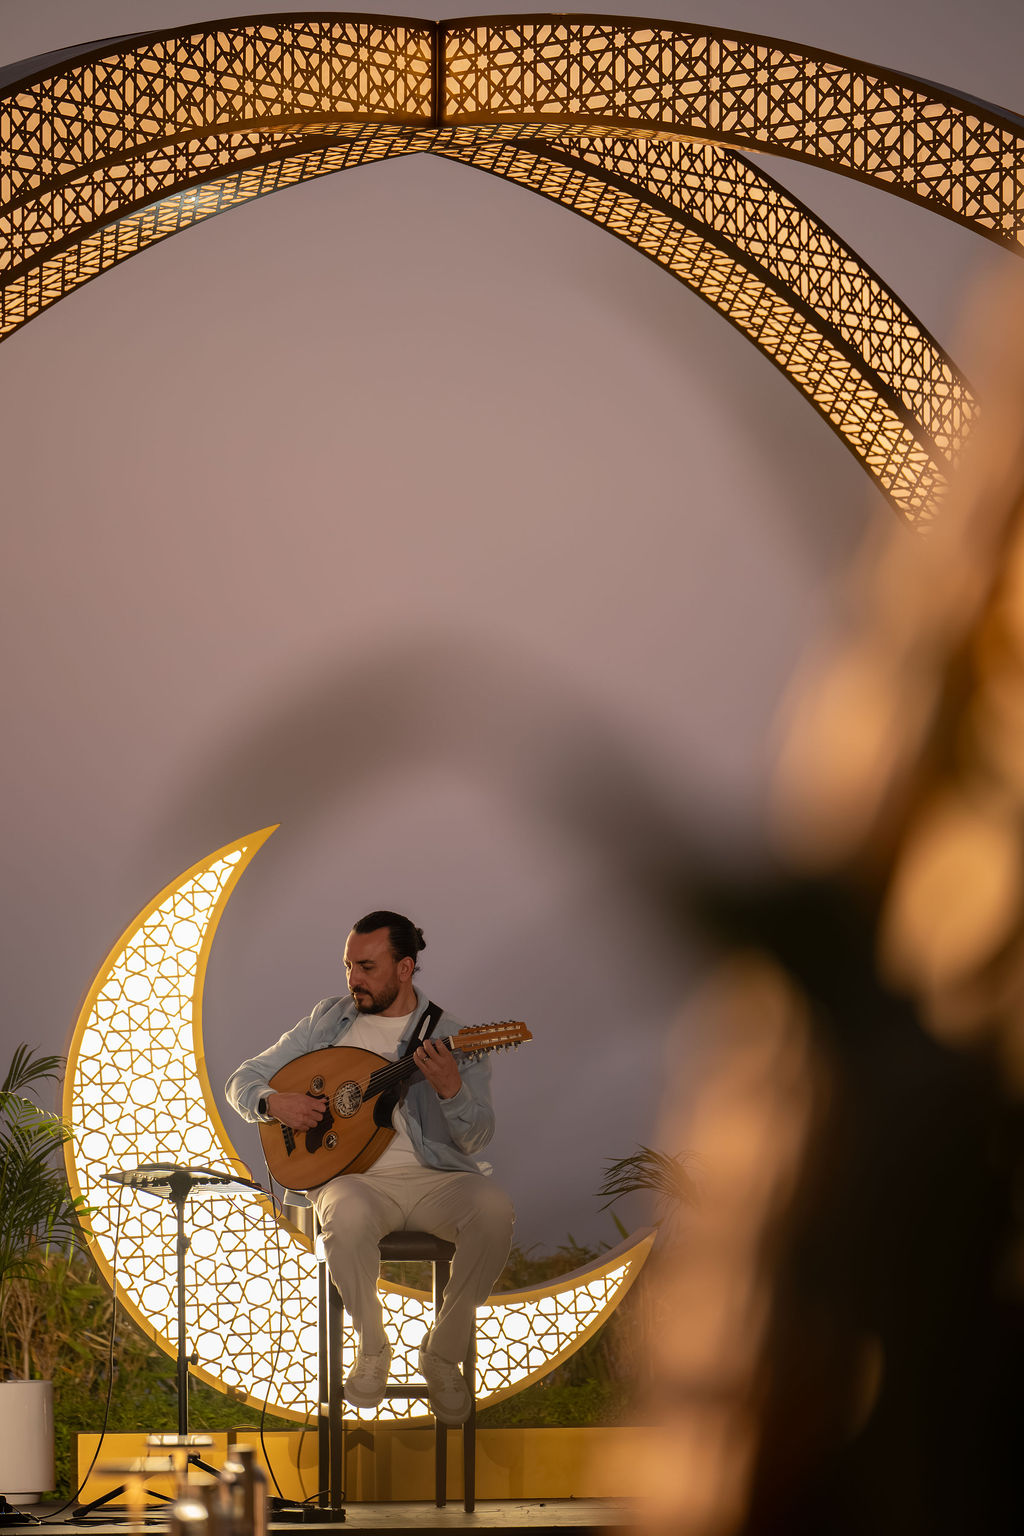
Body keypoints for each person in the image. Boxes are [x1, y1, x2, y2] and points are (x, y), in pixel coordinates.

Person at [226, 910, 514, 1424]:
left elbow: (476, 1136)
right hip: (354, 1181)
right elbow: (243, 1080)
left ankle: (442, 1354)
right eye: (348, 966)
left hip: (434, 1179)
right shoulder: (327, 1021)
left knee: (494, 1212)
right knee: (345, 1213)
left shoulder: (452, 1035)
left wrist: (451, 1090)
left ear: (405, 968)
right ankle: (373, 1345)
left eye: (367, 967)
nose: (353, 979)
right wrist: (273, 1103)